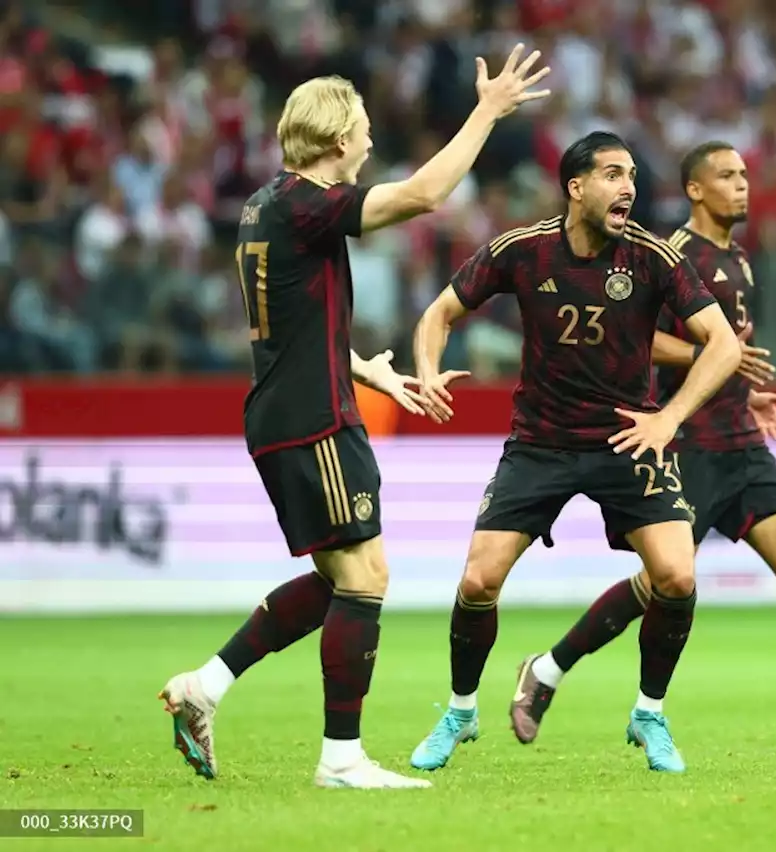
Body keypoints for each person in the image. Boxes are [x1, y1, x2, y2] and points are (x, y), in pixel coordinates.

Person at [156, 46, 551, 790]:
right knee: (366, 577)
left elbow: (295, 323)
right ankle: (341, 758)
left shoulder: (266, 204)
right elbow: (428, 194)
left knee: (346, 578)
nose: (370, 141)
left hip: (291, 409)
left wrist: (371, 370)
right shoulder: (310, 204)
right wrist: (487, 113)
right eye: (364, 129)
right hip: (313, 422)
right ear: (340, 140)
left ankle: (204, 686)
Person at [507, 142, 776, 748]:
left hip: (741, 442)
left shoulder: (740, 259)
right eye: (727, 176)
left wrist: (740, 392)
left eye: (745, 175)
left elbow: (722, 359)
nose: (743, 186)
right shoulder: (667, 254)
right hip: (687, 444)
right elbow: (635, 340)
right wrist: (709, 355)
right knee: (663, 582)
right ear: (696, 190)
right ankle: (547, 669)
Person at [408, 131, 742, 774]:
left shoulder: (651, 258)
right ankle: (460, 711)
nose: (629, 189)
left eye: (633, 177)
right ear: (576, 187)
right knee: (478, 580)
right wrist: (426, 370)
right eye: (614, 175)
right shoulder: (523, 250)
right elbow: (437, 314)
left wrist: (668, 418)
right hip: (541, 443)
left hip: (626, 439)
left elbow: (722, 345)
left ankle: (650, 713)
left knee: (676, 574)